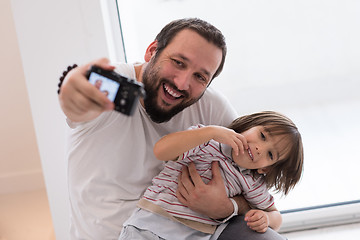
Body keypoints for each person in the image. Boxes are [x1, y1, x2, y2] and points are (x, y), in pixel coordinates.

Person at [58, 18, 287, 240]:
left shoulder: (212, 108)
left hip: (191, 231)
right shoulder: (112, 89)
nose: (182, 83)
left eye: (200, 76)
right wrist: (72, 89)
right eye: (178, 62)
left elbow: (253, 182)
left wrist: (229, 206)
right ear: (151, 51)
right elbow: (77, 103)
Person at [118, 111, 304, 240]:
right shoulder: (207, 141)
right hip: (149, 224)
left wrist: (266, 219)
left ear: (266, 169)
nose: (259, 148)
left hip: (196, 235)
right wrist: (210, 132)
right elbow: (161, 151)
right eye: (262, 136)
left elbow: (276, 217)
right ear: (250, 126)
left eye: (270, 155)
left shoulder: (252, 182)